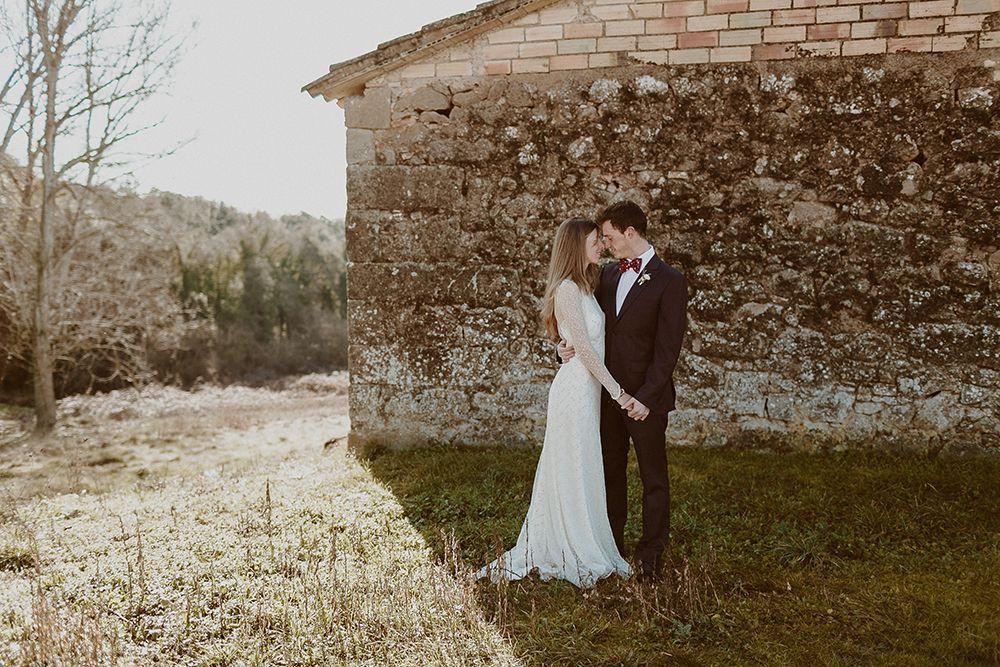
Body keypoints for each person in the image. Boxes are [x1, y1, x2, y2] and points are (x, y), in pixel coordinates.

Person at [476, 218, 633, 588]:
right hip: (576, 392)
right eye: (595, 241)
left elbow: (578, 342)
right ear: (576, 247)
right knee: (573, 466)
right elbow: (589, 354)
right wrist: (618, 392)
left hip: (587, 391)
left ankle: (587, 537)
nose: (602, 247)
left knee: (584, 465)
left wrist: (568, 350)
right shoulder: (566, 289)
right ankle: (570, 545)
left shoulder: (586, 287)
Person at [558, 200, 688, 582]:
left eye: (611, 237)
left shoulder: (670, 281)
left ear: (630, 233)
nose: (606, 245)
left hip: (647, 400)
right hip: (606, 396)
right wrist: (562, 346)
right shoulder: (607, 276)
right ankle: (610, 545)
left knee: (653, 477)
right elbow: (585, 328)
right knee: (609, 472)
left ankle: (650, 553)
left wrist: (644, 398)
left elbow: (668, 350)